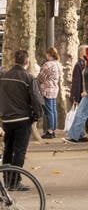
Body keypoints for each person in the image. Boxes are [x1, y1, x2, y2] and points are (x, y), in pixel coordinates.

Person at [0, 50, 44, 191]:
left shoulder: (4, 77)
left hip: (6, 119)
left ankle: (6, 180)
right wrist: (37, 115)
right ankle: (14, 181)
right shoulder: (28, 78)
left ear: (14, 60)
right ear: (27, 61)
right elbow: (36, 99)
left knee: (8, 149)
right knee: (19, 152)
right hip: (22, 118)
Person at [65, 46, 88, 143]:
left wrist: (87, 91)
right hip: (87, 93)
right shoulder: (87, 64)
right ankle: (76, 135)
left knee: (81, 114)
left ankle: (74, 136)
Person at [37, 46, 62, 139]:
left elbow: (41, 77)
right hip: (54, 88)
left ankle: (50, 131)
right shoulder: (58, 64)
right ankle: (53, 129)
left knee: (48, 111)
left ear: (49, 54)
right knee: (53, 110)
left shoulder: (48, 65)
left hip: (47, 89)